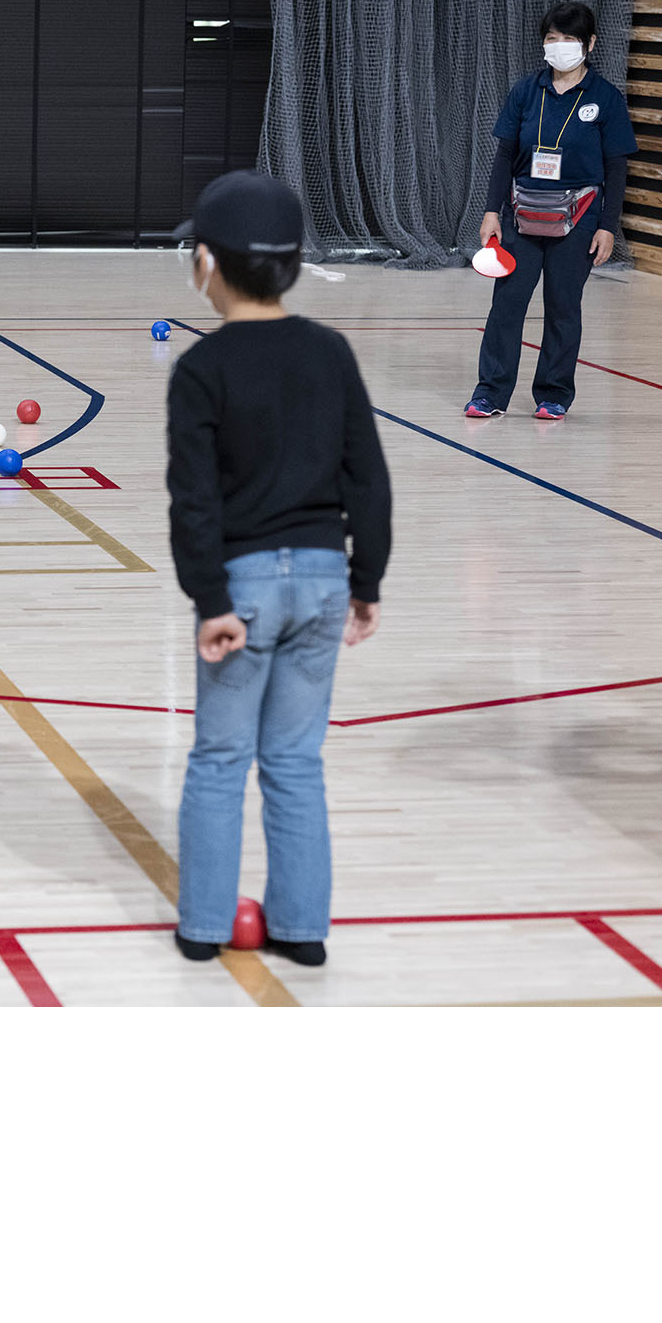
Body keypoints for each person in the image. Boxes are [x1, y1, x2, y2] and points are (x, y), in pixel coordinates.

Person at [168, 172, 392, 969]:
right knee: (295, 760)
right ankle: (301, 928)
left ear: (207, 264)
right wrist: (365, 584)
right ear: (293, 264)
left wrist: (211, 601)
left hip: (247, 587)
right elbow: (368, 476)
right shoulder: (330, 352)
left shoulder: (203, 368)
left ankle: (202, 925)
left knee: (222, 758)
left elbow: (192, 500)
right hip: (325, 581)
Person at [466, 1, 636, 421]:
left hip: (579, 218)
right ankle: (490, 394)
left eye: (570, 39)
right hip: (521, 215)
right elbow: (505, 155)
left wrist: (608, 227)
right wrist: (491, 211)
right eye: (551, 39)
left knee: (563, 308)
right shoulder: (527, 91)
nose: (559, 46)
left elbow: (616, 166)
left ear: (590, 43)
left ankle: (553, 394)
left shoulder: (605, 99)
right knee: (506, 306)